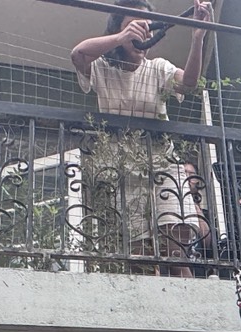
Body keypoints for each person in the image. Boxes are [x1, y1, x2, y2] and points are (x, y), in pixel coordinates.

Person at [69, 1, 215, 274]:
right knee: (140, 257)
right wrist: (121, 37)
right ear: (118, 29)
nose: (142, 32)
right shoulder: (103, 68)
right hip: (124, 172)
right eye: (133, 25)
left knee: (176, 249)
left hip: (164, 166)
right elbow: (78, 54)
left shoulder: (158, 67)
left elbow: (189, 83)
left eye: (146, 26)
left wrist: (198, 38)